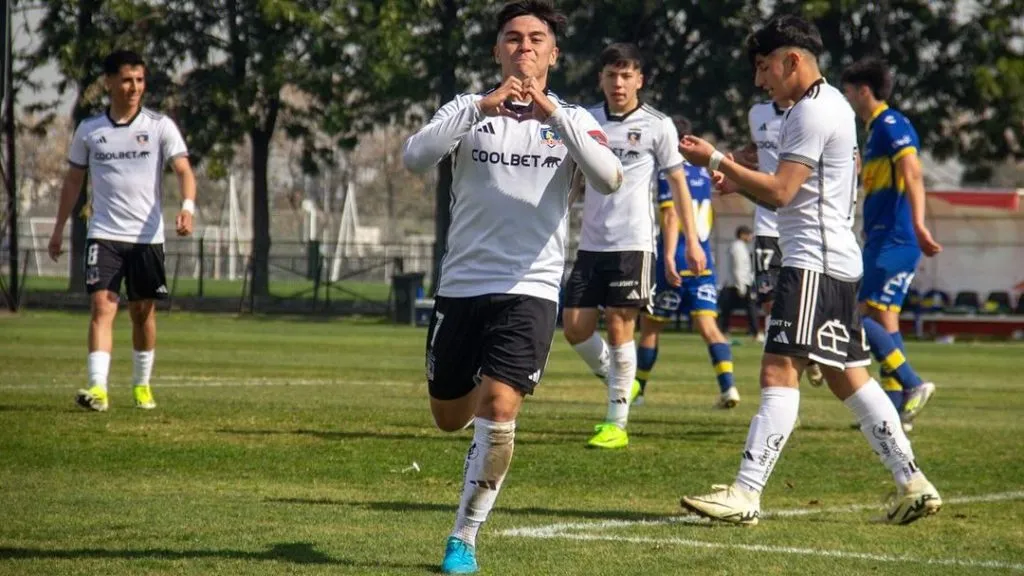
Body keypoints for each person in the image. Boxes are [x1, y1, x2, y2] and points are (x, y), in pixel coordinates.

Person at [677, 15, 941, 526]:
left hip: (812, 264)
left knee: (778, 370)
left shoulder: (810, 111)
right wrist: (740, 180)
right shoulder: (832, 104)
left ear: (792, 60)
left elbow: (781, 193)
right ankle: (913, 482)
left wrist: (717, 161)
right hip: (835, 261)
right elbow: (792, 195)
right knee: (849, 379)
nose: (760, 79)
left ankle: (746, 492)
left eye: (764, 67)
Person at [402, 2, 623, 572]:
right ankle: (485, 382)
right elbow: (415, 157)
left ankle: (464, 538)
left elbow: (609, 177)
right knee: (448, 417)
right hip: (462, 285)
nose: (524, 48)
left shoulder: (573, 118)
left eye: (536, 39)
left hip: (532, 288)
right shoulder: (467, 109)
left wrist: (552, 113)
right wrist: (480, 107)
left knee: (500, 408)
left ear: (554, 54)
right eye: (513, 39)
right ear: (497, 50)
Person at [561, 43, 705, 449]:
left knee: (620, 324)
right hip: (591, 244)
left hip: (634, 244)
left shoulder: (658, 125)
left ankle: (616, 423)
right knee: (574, 328)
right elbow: (575, 178)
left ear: (639, 79)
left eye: (626, 75)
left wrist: (692, 242)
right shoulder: (585, 120)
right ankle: (621, 382)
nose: (618, 83)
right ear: (601, 79)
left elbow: (678, 183)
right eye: (611, 75)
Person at [48, 49, 196, 412]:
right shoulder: (90, 130)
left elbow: (183, 170)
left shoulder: (159, 126)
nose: (134, 87)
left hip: (147, 238)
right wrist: (59, 228)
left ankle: (141, 385)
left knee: (142, 312)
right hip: (104, 234)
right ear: (109, 82)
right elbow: (73, 181)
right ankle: (98, 389)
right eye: (127, 80)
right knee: (102, 305)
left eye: (140, 80)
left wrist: (187, 208)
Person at [841, 57, 940, 429]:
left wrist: (918, 224)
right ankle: (896, 411)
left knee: (853, 316)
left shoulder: (890, 124)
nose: (848, 100)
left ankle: (912, 383)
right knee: (885, 321)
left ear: (864, 91)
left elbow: (912, 173)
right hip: (884, 238)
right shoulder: (874, 133)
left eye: (849, 92)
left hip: (894, 240)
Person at [635, 119, 737, 409]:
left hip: (677, 256)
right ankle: (728, 387)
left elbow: (671, 217)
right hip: (702, 258)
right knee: (709, 327)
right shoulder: (703, 172)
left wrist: (668, 256)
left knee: (651, 328)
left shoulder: (669, 171)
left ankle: (638, 392)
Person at [717, 225, 759, 340]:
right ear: (742, 235)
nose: (751, 237)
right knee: (750, 308)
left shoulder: (741, 247)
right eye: (749, 235)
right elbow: (738, 267)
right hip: (739, 283)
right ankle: (754, 332)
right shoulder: (738, 247)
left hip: (738, 282)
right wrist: (741, 286)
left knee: (728, 309)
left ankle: (724, 330)